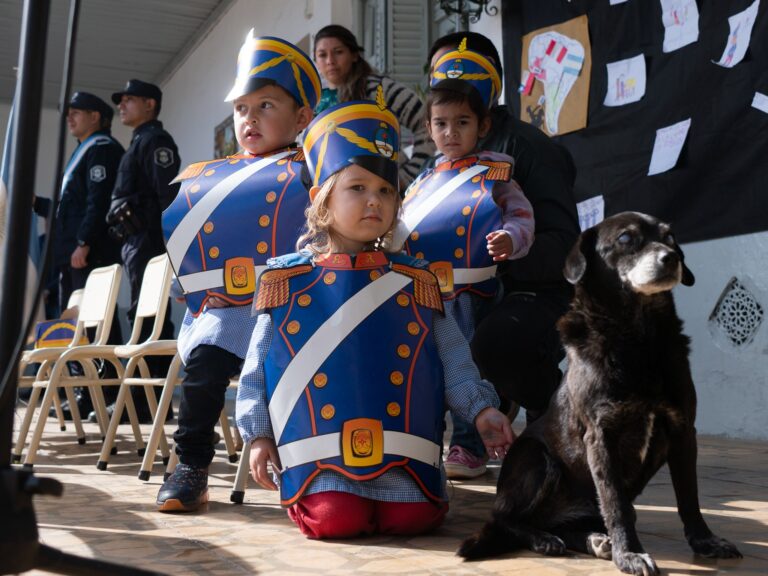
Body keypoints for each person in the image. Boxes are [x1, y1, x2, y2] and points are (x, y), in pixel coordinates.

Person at [236, 96, 514, 539]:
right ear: (321, 198)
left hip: (403, 447)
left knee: (414, 520)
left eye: (386, 191)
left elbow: (453, 360)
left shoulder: (416, 278)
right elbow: (257, 371)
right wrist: (258, 435)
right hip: (319, 454)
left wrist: (482, 412)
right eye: (358, 188)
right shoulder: (284, 278)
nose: (374, 201)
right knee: (334, 522)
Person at [156, 32, 320, 513]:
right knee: (204, 366)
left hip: (298, 310)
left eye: (266, 105)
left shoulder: (316, 172)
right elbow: (189, 248)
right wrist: (190, 285)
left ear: (302, 117)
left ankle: (319, 466)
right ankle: (191, 468)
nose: (251, 119)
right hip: (229, 313)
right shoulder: (208, 179)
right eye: (243, 108)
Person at [426, 32, 580, 477]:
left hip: (533, 288)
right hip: (457, 292)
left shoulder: (528, 151)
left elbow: (562, 245)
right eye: (440, 81)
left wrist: (498, 256)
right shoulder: (436, 165)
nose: (449, 86)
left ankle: (557, 419)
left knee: (492, 345)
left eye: (461, 77)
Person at [396, 41, 535, 479]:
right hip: (425, 294)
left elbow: (521, 216)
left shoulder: (495, 171)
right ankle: (422, 445)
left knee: (471, 367)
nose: (450, 133)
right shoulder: (420, 180)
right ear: (428, 127)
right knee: (425, 370)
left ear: (482, 125)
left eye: (462, 123)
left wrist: (511, 240)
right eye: (441, 123)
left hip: (473, 293)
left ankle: (470, 445)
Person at [34, 92, 125, 418]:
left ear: (96, 117)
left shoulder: (101, 149)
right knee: (76, 326)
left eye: (77, 113)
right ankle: (85, 394)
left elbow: (98, 201)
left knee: (98, 324)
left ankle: (106, 393)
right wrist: (35, 203)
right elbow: (67, 208)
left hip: (88, 253)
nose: (70, 118)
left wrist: (84, 241)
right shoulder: (82, 152)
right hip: (70, 253)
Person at [103, 78, 180, 422]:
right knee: (141, 316)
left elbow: (167, 197)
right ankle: (142, 400)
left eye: (129, 99)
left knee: (152, 320)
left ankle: (149, 402)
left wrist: (169, 246)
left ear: (150, 105)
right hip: (135, 242)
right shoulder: (137, 142)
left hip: (149, 241)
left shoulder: (155, 141)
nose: (122, 105)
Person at [312, 24, 435, 188]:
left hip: (383, 190)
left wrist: (410, 175)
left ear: (354, 55)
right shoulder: (314, 101)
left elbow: (427, 123)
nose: (330, 61)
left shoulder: (378, 89)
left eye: (338, 52)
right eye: (322, 55)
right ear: (315, 60)